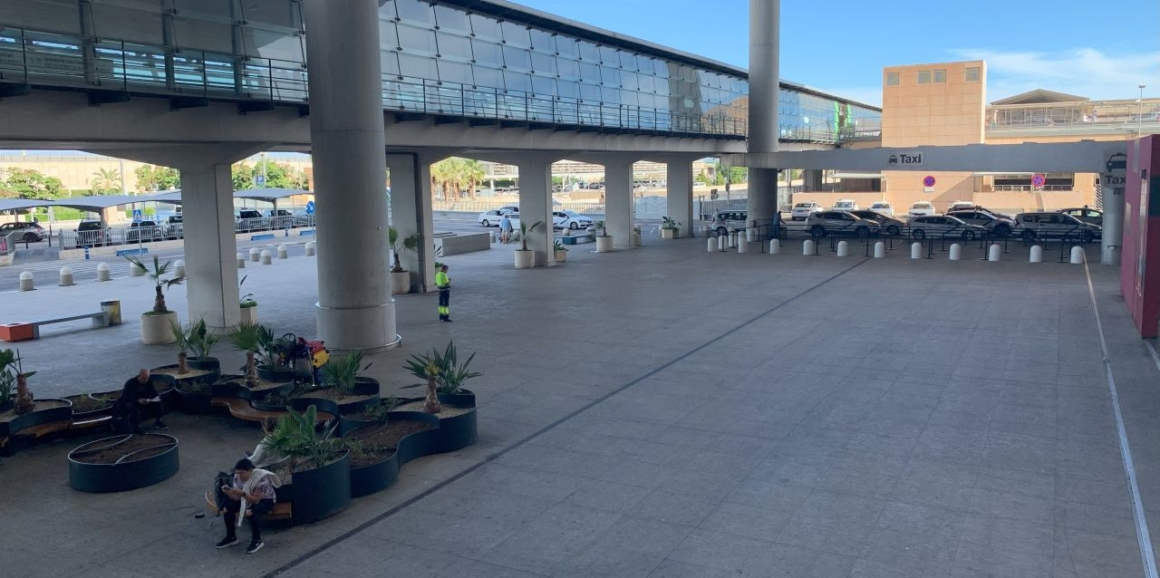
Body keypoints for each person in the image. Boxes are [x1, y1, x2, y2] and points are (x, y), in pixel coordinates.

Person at [217, 458, 281, 554]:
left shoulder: (260, 479)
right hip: (245, 496)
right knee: (227, 507)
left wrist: (242, 493)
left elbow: (255, 500)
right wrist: (228, 492)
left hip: (265, 500)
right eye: (237, 472)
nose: (239, 475)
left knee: (250, 511)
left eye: (242, 473)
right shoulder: (237, 477)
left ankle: (257, 540)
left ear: (250, 471)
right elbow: (236, 498)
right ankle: (231, 536)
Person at [113, 368, 165, 433]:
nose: (145, 380)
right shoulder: (130, 383)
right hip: (128, 402)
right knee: (134, 408)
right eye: (143, 378)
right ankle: (137, 427)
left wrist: (152, 399)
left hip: (144, 400)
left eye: (147, 378)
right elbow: (126, 396)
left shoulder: (148, 382)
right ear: (139, 376)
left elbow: (153, 392)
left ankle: (159, 421)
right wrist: (138, 400)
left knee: (158, 402)